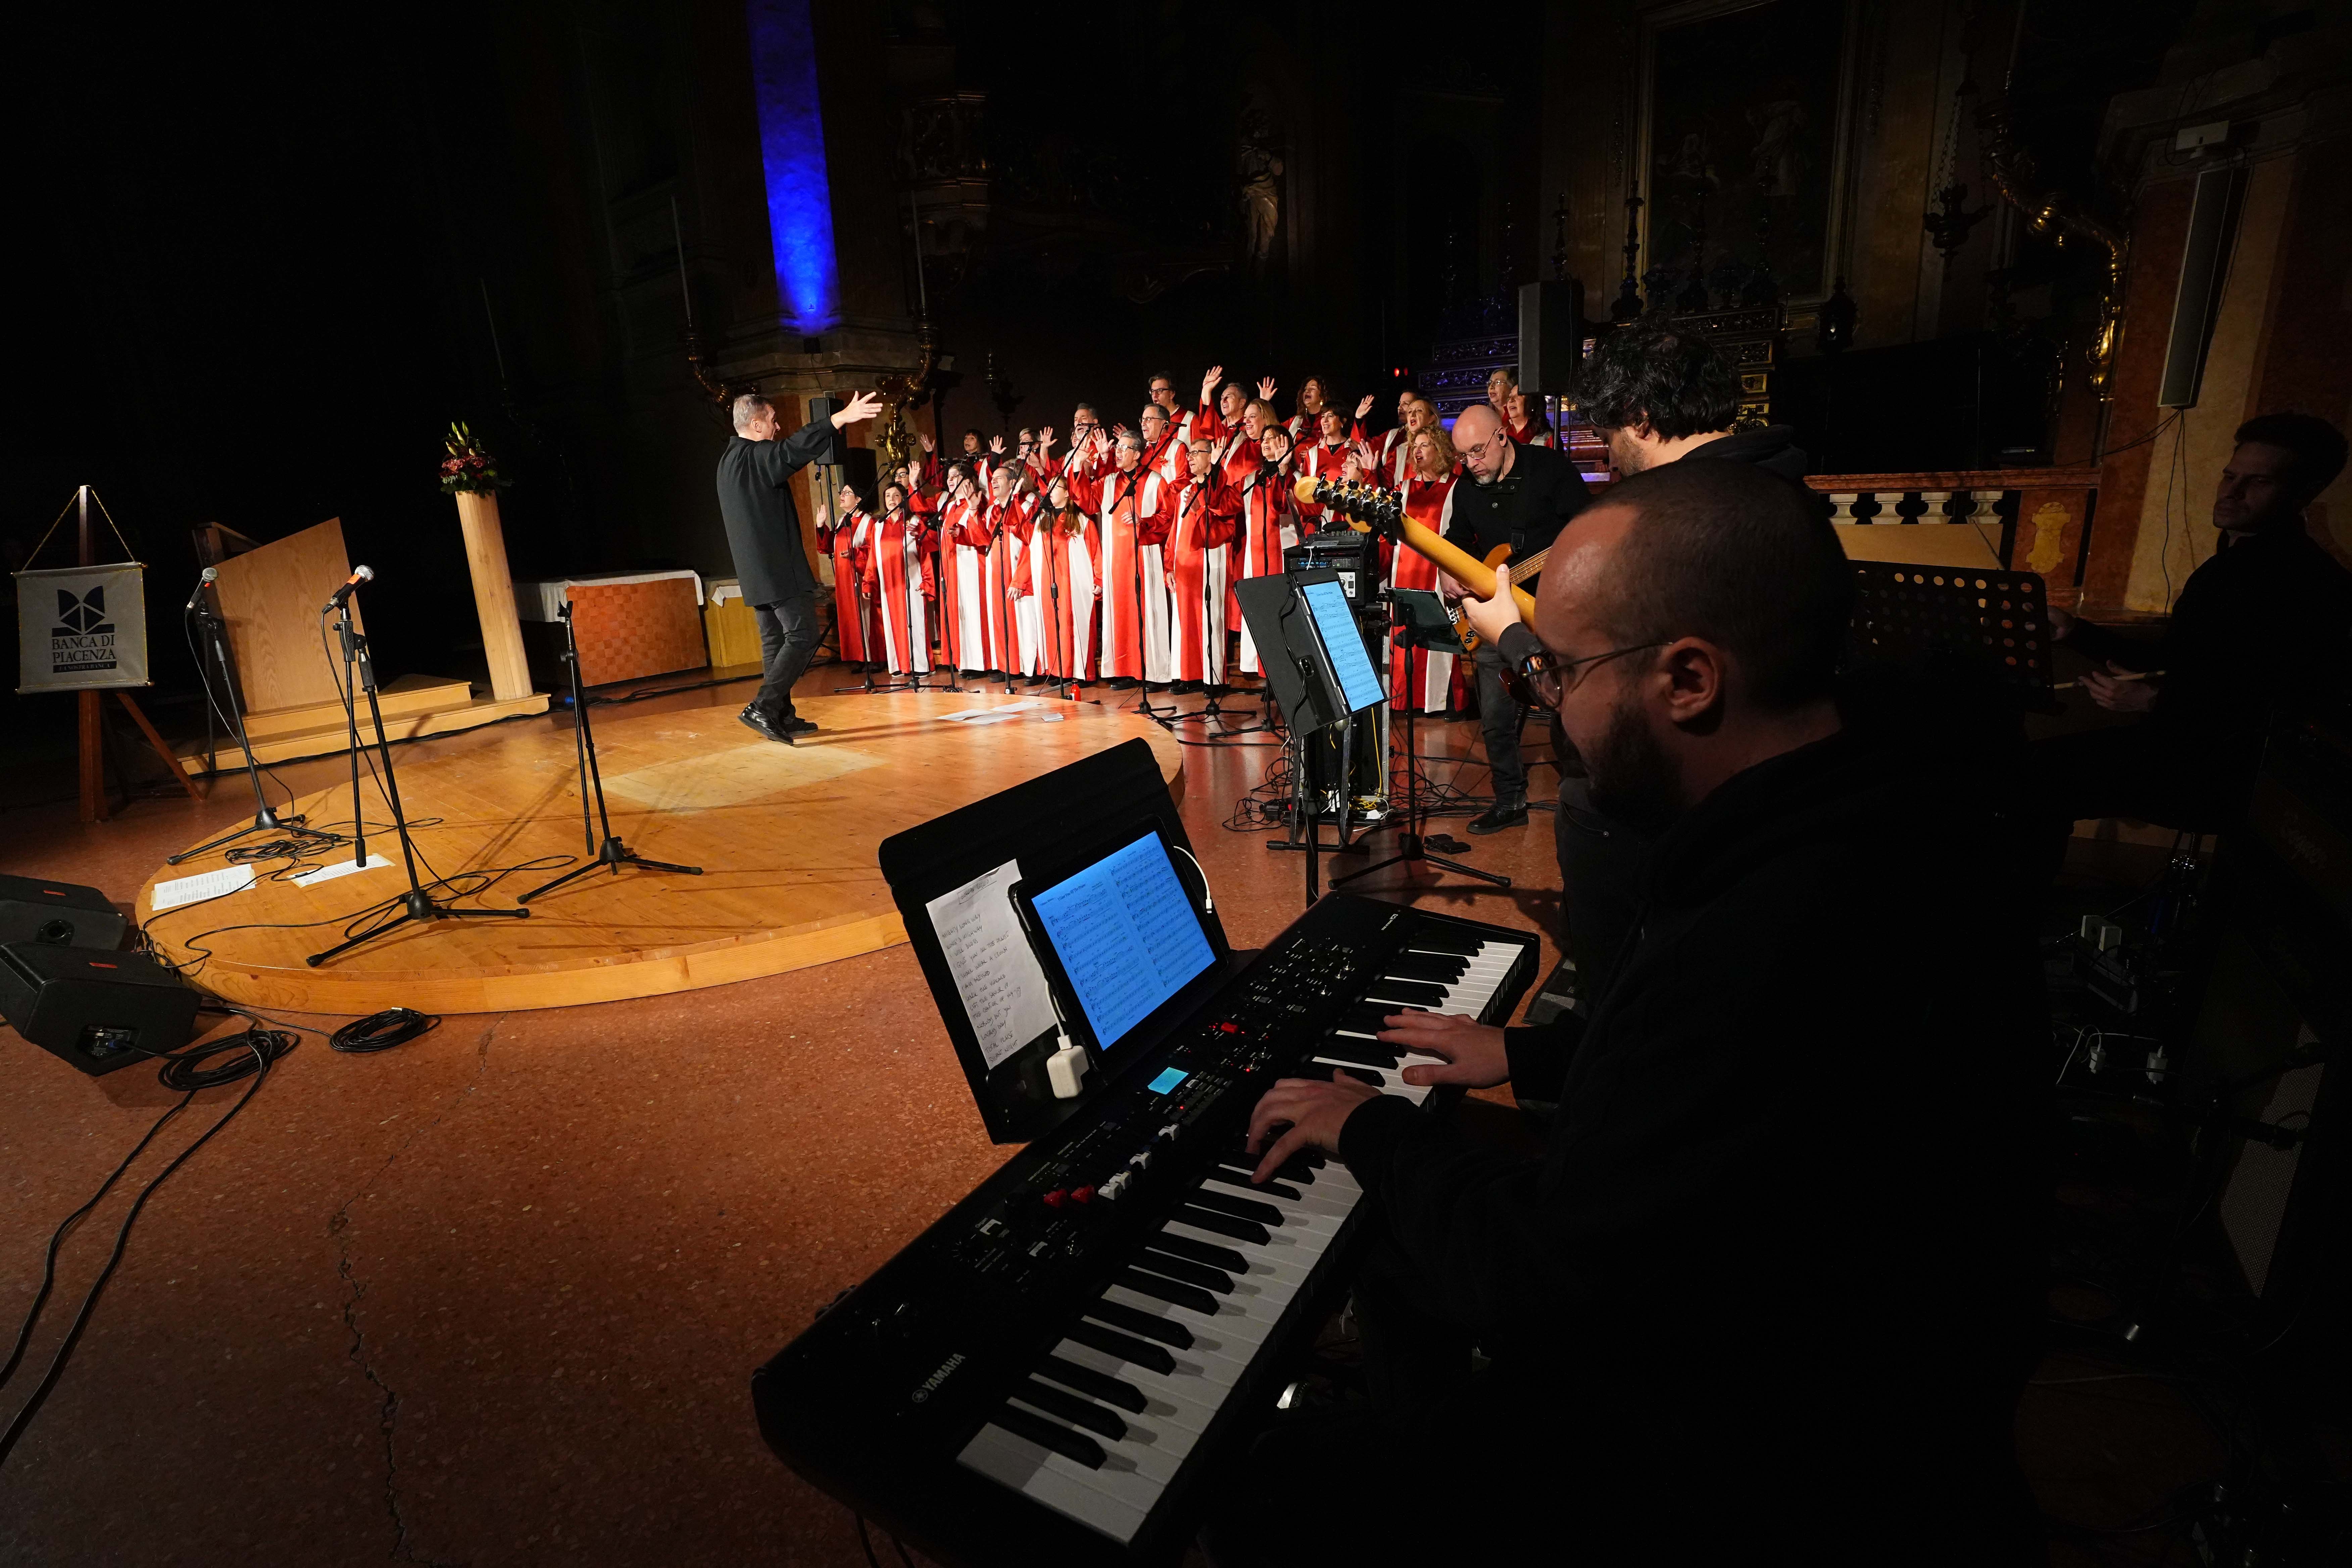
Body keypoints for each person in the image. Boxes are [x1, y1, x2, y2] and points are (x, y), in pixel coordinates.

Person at [1225, 461, 2047, 1567]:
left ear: (1688, 680)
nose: (1547, 699)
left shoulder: (1772, 928)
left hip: (1748, 1465)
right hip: (1801, 1362)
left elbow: (1552, 1287)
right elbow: (1726, 1110)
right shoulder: (1872, 818)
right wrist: (1531, 1051)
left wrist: (1371, 1126)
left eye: (1559, 671)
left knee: (1257, 1482)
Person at [2032, 411, 2352, 833]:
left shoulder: (2303, 582)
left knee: (2030, 779)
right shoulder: (2233, 563)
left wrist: (2151, 701)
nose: (2231, 493)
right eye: (2229, 475)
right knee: (2028, 774)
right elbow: (2176, 661)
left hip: (2226, 772)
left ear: (2303, 494)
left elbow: (2279, 704)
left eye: (2258, 482)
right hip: (2184, 745)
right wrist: (2074, 631)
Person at [1436, 402, 1592, 832]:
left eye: (1477, 452)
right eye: (1463, 456)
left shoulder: (1549, 470)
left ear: (1503, 435)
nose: (1471, 464)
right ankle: (1510, 800)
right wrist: (1448, 571)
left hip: (1554, 615)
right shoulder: (1468, 487)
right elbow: (1455, 540)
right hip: (1495, 622)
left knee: (1570, 713)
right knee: (1496, 719)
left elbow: (1586, 530)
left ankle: (1585, 802)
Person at [714, 389, 880, 744]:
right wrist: (838, 419)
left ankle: (781, 714)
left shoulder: (728, 460)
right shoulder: (757, 455)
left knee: (774, 641)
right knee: (803, 634)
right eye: (773, 419)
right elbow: (793, 451)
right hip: (776, 566)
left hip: (754, 570)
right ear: (756, 424)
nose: (778, 425)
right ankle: (763, 706)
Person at [1575, 319, 1808, 478]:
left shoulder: (1670, 512)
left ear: (1639, 418)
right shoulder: (1785, 478)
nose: (1613, 462)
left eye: (1608, 440)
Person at [1067, 428, 1174, 687]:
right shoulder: (1109, 483)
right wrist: (1081, 465)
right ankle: (1126, 670)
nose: (1119, 452)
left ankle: (1153, 671)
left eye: (1125, 448)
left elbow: (1168, 519)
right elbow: (1086, 502)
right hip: (1116, 560)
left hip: (1145, 557)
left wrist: (1144, 521)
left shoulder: (1156, 481)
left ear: (1137, 454)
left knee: (1149, 613)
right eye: (1118, 448)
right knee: (1121, 616)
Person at [1385, 426, 1461, 713]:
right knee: (1406, 635)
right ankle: (1405, 700)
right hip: (1405, 571)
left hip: (1439, 575)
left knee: (1439, 639)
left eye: (1425, 445)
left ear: (1440, 450)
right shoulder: (1403, 488)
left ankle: (1442, 702)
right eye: (1415, 446)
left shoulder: (1455, 487)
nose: (1417, 451)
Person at [1166, 437, 1240, 690]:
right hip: (1184, 565)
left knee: (1211, 617)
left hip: (1211, 561)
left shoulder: (1223, 491)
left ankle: (1213, 679)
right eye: (1190, 454)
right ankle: (1188, 676)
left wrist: (1218, 470)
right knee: (1185, 621)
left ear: (1211, 457)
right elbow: (1174, 532)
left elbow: (1222, 511)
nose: (1191, 457)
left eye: (1197, 453)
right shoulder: (1185, 491)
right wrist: (1169, 567)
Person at [1234, 421, 1303, 676]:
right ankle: (1264, 670)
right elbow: (1227, 504)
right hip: (1256, 555)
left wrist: (1284, 472)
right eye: (1264, 439)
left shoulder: (1294, 478)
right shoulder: (1253, 479)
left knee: (1281, 609)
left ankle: (1283, 672)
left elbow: (1281, 508)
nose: (1265, 443)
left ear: (1285, 444)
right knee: (1260, 609)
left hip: (1283, 551)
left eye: (1273, 439)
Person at [863, 477, 935, 678]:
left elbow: (925, 554)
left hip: (912, 580)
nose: (892, 499)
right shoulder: (878, 526)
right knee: (893, 623)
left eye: (896, 495)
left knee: (915, 622)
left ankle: (920, 665)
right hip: (889, 584)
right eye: (888, 496)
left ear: (904, 498)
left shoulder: (914, 522)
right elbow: (873, 558)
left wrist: (928, 582)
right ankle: (899, 665)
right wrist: (868, 583)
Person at [1036, 475, 1101, 685]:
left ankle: (1081, 671)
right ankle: (1059, 671)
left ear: (1067, 492)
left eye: (1057, 487)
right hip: (1050, 582)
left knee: (1074, 624)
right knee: (1054, 624)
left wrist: (1099, 578)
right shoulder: (1042, 521)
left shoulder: (1082, 522)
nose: (1051, 490)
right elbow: (1032, 555)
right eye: (1050, 487)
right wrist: (1019, 582)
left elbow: (1095, 552)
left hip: (1074, 583)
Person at [818, 483, 875, 671]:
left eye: (847, 493)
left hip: (860, 575)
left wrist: (855, 554)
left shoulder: (868, 521)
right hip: (843, 579)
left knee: (866, 616)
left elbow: (873, 551)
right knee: (851, 617)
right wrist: (821, 526)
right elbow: (828, 547)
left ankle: (873, 656)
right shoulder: (843, 520)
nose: (842, 496)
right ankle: (859, 656)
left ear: (858, 499)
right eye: (842, 492)